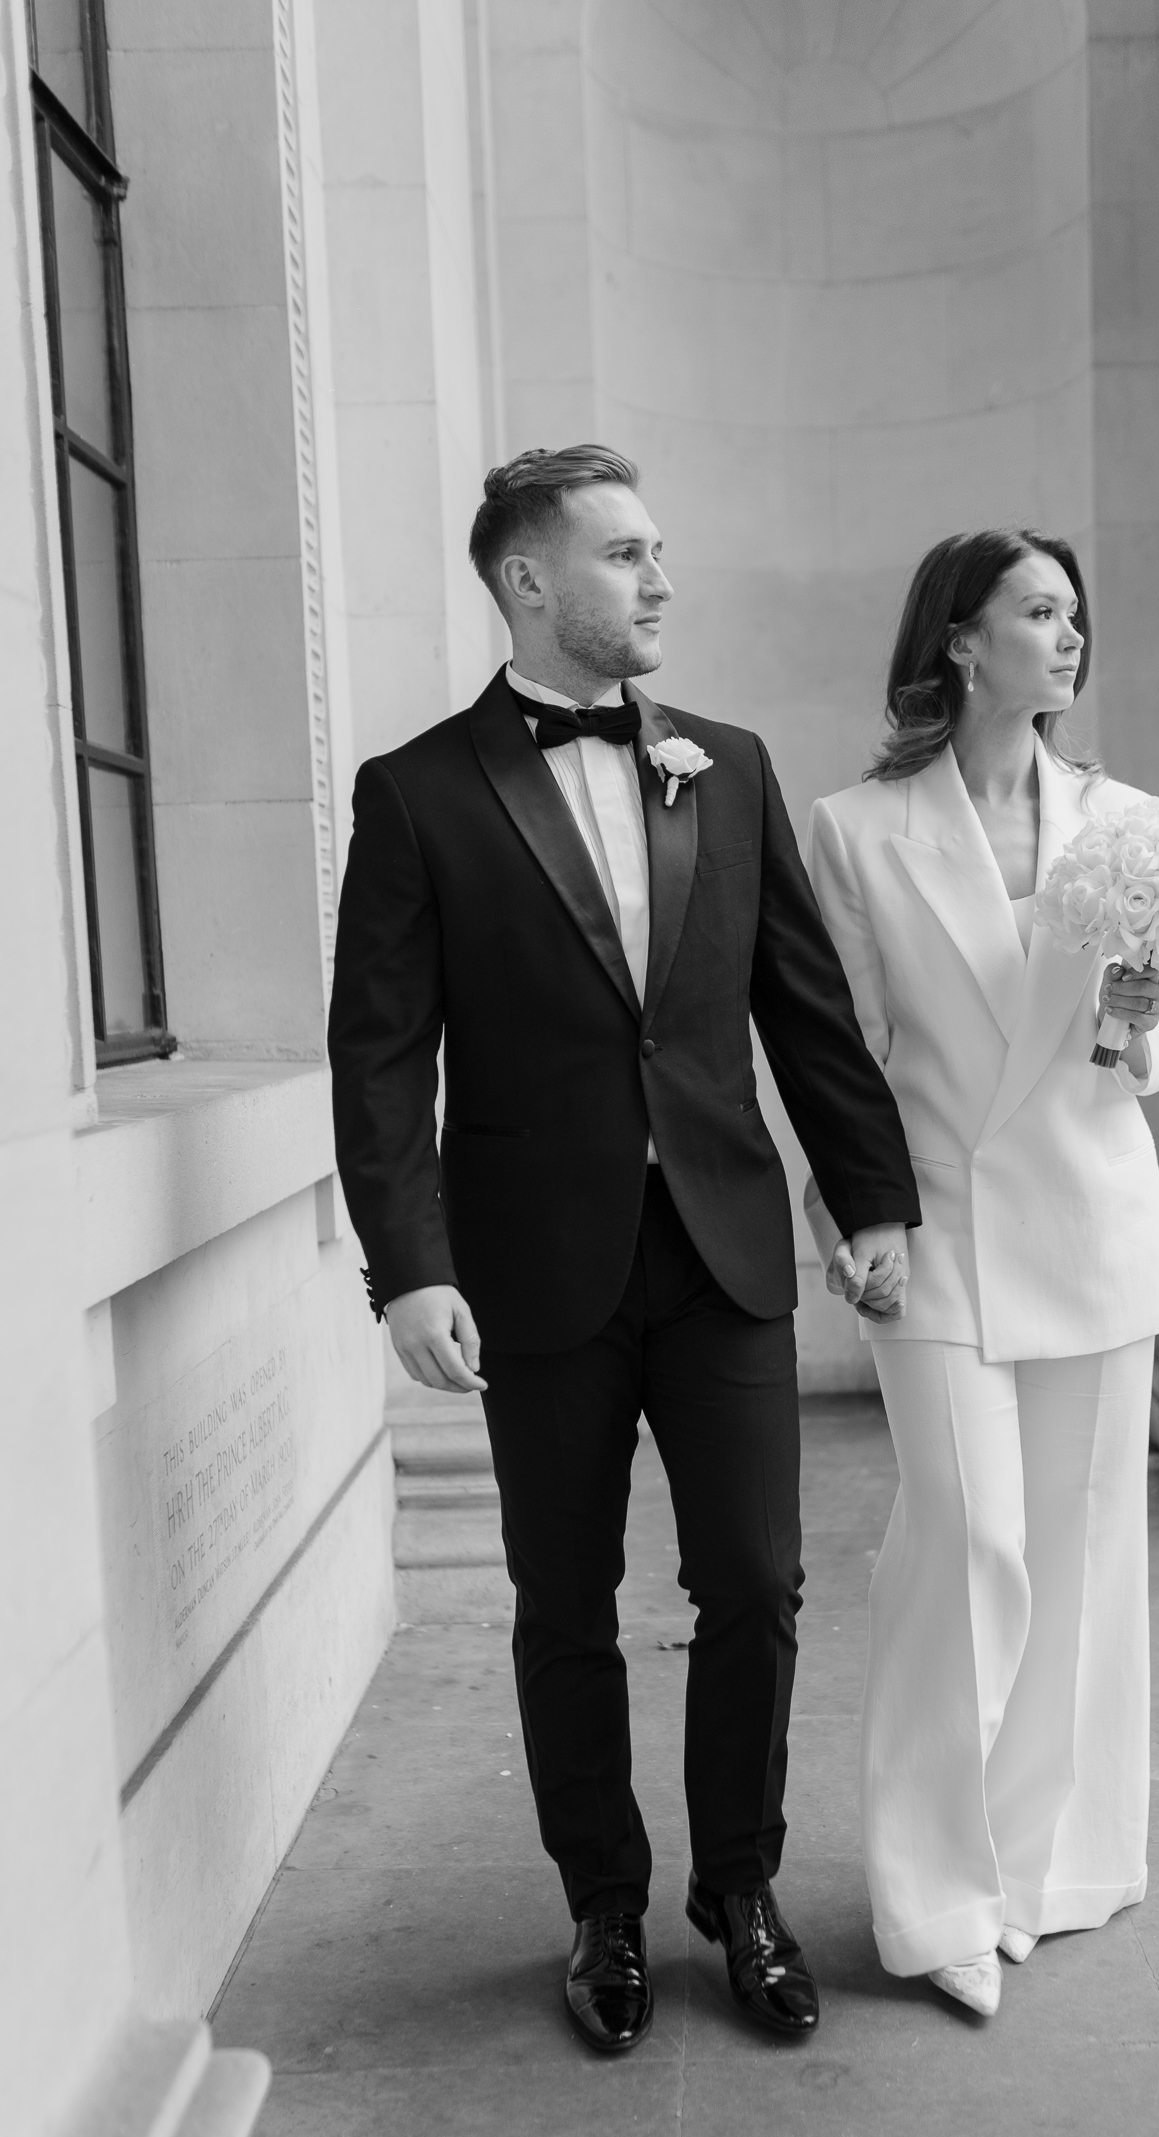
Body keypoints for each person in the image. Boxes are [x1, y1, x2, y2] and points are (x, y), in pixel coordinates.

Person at [328, 444, 920, 2055]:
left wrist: (871, 1199)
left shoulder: (724, 764)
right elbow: (381, 1057)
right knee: (562, 1597)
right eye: (624, 554)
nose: (660, 581)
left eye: (659, 552)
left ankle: (741, 1890)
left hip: (723, 1248)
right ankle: (603, 1900)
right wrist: (414, 1263)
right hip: (533, 1266)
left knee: (755, 1582)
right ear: (528, 580)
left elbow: (801, 1005)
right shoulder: (420, 792)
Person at [803, 528, 1159, 2016]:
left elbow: (1139, 1061)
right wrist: (853, 1216)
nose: (1069, 636)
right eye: (1039, 611)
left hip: (1094, 1221)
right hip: (940, 1226)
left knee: (1082, 1559)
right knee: (966, 1544)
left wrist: (1141, 1017)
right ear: (962, 639)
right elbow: (837, 1053)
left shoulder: (1130, 820)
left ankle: (1047, 1865)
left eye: (1077, 614)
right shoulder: (856, 827)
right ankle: (936, 1893)